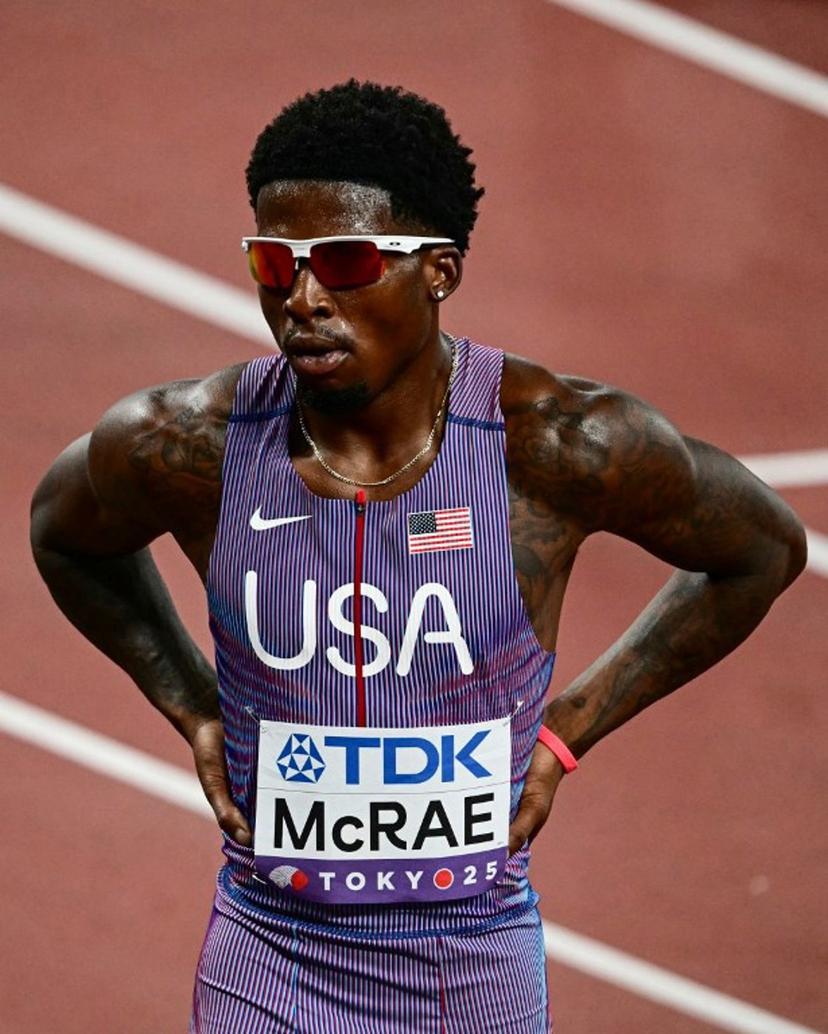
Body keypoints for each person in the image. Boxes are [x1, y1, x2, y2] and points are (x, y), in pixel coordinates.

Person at [30, 80, 806, 1034]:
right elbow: (65, 536)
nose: (305, 297)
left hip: (470, 963)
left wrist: (568, 730)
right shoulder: (185, 445)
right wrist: (192, 703)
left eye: (346, 262)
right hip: (268, 951)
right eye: (275, 263)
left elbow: (761, 550)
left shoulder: (556, 445)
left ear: (437, 271)